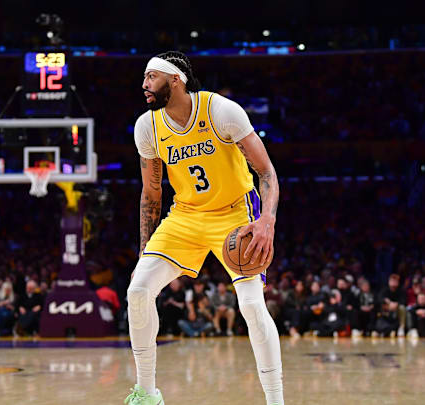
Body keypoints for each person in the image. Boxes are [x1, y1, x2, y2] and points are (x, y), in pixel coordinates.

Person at [126, 51, 283, 405]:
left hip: (235, 215)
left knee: (251, 306)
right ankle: (147, 394)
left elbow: (267, 173)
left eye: (151, 77)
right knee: (137, 291)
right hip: (185, 216)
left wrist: (266, 221)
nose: (144, 85)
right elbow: (151, 192)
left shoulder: (221, 111)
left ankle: (276, 400)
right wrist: (144, 249)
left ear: (175, 80)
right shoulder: (147, 127)